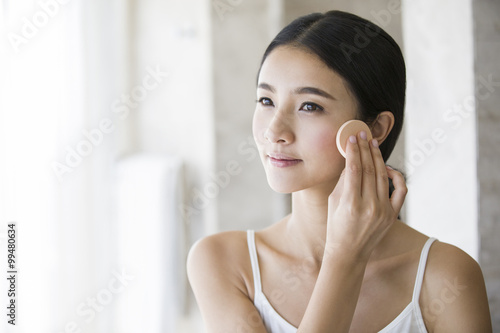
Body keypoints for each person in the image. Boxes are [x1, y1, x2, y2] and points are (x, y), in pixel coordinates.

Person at [187, 10, 492, 333]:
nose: (275, 130)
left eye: (309, 106)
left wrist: (345, 255)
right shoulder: (223, 261)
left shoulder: (445, 276)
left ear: (374, 128)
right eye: (266, 100)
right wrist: (345, 258)